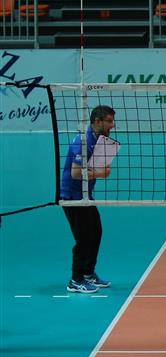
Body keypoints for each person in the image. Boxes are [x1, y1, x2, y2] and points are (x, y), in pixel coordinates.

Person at [60, 104, 116, 294]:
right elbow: (76, 173)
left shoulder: (99, 140)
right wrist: (101, 173)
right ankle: (75, 280)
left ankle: (88, 273)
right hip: (72, 197)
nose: (113, 125)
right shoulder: (82, 141)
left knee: (96, 232)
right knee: (83, 238)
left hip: (85, 195)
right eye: (109, 121)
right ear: (97, 121)